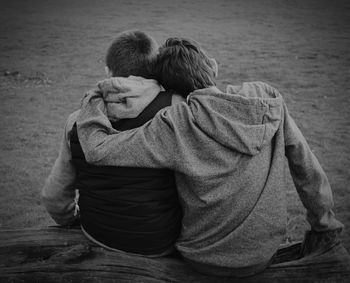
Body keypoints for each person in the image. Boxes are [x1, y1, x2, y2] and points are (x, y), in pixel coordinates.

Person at [76, 37, 344, 277]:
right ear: (212, 66)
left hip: (201, 257)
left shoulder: (175, 122)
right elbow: (304, 162)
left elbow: (97, 148)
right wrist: (324, 223)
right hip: (264, 251)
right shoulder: (266, 99)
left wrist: (95, 97)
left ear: (172, 92)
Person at [41, 30, 184, 257]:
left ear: (108, 72)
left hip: (96, 233)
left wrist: (72, 220)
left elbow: (54, 197)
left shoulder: (77, 120)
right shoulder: (177, 108)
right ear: (156, 71)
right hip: (158, 242)